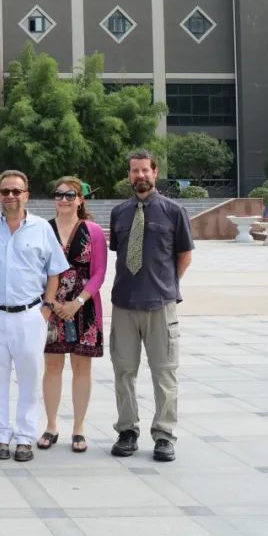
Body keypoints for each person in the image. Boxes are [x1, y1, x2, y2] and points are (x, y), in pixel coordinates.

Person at [0, 169, 67, 463]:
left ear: (26, 194)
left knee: (29, 377)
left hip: (29, 315)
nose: (10, 196)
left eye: (16, 191)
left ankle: (25, 437)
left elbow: (54, 272)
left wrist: (47, 308)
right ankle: (1, 435)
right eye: (4, 191)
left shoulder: (41, 228)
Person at [109, 149, 194, 462]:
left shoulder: (174, 211)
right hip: (124, 305)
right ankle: (127, 430)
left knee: (164, 373)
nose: (140, 176)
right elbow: (120, 253)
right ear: (129, 175)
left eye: (145, 170)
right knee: (123, 372)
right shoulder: (119, 213)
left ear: (155, 173)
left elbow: (184, 256)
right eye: (134, 171)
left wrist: (167, 285)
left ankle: (164, 435)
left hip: (160, 305)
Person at [38, 177, 107, 454]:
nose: (64, 199)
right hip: (51, 306)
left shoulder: (93, 230)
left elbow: (99, 272)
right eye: (59, 195)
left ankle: (78, 427)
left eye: (70, 195)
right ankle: (52, 425)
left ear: (80, 199)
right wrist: (51, 302)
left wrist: (77, 301)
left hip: (84, 307)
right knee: (52, 367)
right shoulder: (43, 229)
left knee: (82, 368)